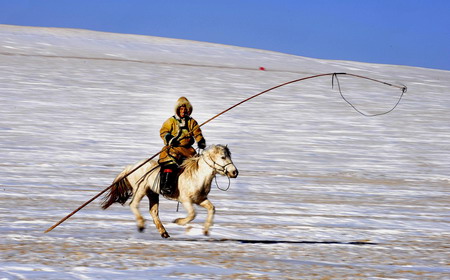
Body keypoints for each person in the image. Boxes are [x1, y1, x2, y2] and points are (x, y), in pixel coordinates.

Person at [158, 97, 206, 196]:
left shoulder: (192, 122)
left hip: (188, 150)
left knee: (196, 165)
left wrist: (200, 141)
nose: (183, 111)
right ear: (177, 109)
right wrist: (170, 139)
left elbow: (197, 133)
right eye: (181, 109)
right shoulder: (170, 121)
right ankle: (166, 186)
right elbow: (163, 132)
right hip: (173, 148)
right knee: (170, 162)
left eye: (185, 109)